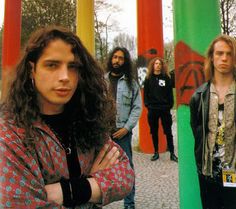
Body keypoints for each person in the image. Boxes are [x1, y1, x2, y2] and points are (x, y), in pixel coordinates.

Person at [0, 26, 135, 209]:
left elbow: (125, 175)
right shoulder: (10, 132)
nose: (65, 77)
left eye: (72, 67)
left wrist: (66, 191)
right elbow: (20, 203)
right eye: (52, 65)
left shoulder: (86, 120)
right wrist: (91, 185)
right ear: (32, 69)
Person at [189, 34, 236, 209]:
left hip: (234, 172)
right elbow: (197, 132)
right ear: (211, 57)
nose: (224, 58)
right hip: (208, 173)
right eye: (219, 53)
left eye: (229, 54)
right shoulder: (199, 97)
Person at [105, 47, 142, 209]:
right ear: (110, 59)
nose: (117, 61)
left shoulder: (131, 83)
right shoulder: (101, 81)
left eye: (121, 58)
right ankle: (96, 201)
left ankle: (129, 203)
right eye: (114, 57)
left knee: (127, 168)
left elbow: (137, 107)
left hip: (123, 133)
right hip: (102, 134)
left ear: (125, 61)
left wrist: (127, 128)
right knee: (96, 168)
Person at [144, 57, 178, 162]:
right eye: (156, 63)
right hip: (153, 109)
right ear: (153, 65)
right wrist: (148, 105)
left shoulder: (166, 78)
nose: (158, 65)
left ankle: (172, 153)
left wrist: (169, 105)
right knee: (154, 131)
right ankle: (156, 152)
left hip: (164, 109)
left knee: (168, 131)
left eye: (159, 64)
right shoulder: (148, 79)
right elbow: (146, 94)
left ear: (162, 66)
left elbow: (169, 94)